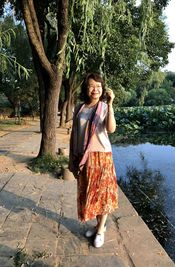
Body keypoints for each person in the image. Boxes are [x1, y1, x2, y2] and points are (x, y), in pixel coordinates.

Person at [69, 72, 118, 248]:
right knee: (90, 193)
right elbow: (75, 134)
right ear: (86, 88)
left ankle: (99, 231)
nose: (95, 89)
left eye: (98, 86)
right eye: (91, 86)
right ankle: (99, 225)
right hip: (84, 157)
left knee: (102, 194)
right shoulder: (79, 108)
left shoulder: (104, 107)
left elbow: (111, 129)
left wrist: (111, 104)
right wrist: (73, 158)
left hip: (102, 156)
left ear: (102, 89)